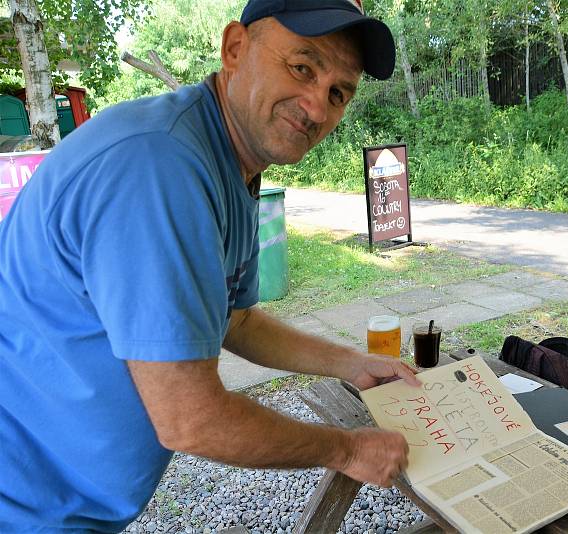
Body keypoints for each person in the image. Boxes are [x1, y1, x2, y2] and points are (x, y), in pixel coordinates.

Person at [0, 0, 420, 531]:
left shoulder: (231, 162)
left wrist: (350, 365)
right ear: (235, 49)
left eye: (339, 92)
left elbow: (233, 319)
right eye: (302, 66)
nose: (316, 107)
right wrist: (346, 449)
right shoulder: (162, 167)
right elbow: (189, 419)